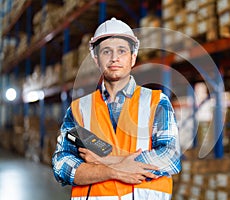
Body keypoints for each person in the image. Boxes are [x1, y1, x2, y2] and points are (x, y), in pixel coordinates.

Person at [52, 17, 181, 200]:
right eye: (106, 51)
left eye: (121, 51)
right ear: (96, 59)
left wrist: (106, 160)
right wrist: (113, 171)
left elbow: (170, 158)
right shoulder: (79, 109)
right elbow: (61, 164)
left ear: (133, 58)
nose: (114, 58)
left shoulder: (156, 102)